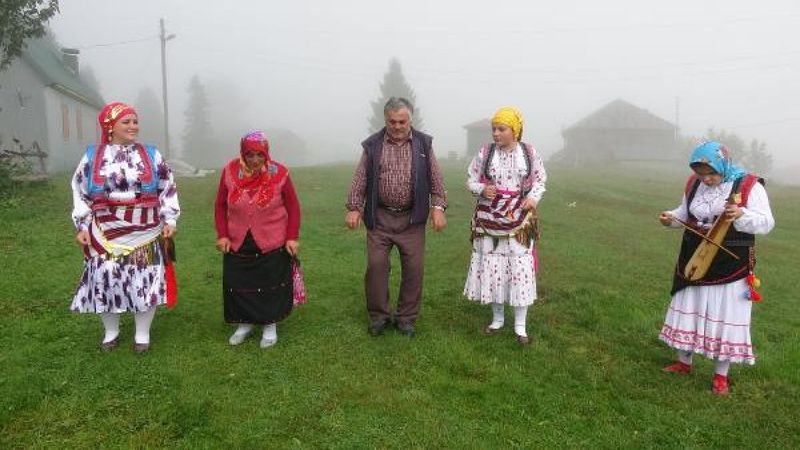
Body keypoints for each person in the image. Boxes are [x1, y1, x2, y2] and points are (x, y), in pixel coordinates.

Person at [658, 141, 775, 395]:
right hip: (694, 259)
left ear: (723, 165)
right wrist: (670, 218)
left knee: (725, 314)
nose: (706, 179)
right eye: (701, 174)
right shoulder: (694, 184)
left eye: (711, 173)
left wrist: (741, 214)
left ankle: (721, 376)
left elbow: (767, 222)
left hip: (729, 262)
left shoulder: (748, 185)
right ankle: (683, 361)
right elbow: (685, 212)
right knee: (691, 305)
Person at [70, 101, 180, 353]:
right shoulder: (92, 157)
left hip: (146, 230)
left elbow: (168, 187)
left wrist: (170, 219)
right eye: (126, 122)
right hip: (105, 231)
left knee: (146, 280)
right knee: (106, 280)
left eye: (135, 121)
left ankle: (142, 334)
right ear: (110, 126)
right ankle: (111, 331)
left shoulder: (152, 155)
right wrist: (82, 225)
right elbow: (80, 191)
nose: (133, 126)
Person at [346, 97, 447, 337]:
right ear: (385, 120)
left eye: (403, 121)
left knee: (414, 269)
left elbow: (436, 179)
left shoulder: (423, 144)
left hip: (412, 220)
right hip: (380, 219)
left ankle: (406, 319)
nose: (398, 126)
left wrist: (438, 208)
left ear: (410, 119)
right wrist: (353, 207)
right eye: (393, 121)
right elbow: (360, 177)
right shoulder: (372, 145)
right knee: (376, 267)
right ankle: (378, 317)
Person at [463, 107, 547, 346]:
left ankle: (520, 325)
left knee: (518, 269)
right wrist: (481, 189)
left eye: (501, 129)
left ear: (515, 130)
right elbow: (470, 179)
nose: (496, 134)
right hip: (488, 219)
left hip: (518, 219)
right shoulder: (485, 153)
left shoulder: (529, 153)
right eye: (494, 129)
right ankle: (497, 319)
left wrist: (533, 198)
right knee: (493, 268)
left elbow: (540, 179)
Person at [214, 131, 301, 348]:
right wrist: (223, 234)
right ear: (242, 153)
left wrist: (292, 237)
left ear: (266, 153)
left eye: (259, 155)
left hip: (272, 240)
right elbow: (220, 205)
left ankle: (269, 325)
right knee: (239, 283)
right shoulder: (230, 171)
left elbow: (293, 207)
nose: (254, 160)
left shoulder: (279, 173)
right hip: (238, 239)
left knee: (269, 284)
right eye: (249, 154)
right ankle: (244, 323)